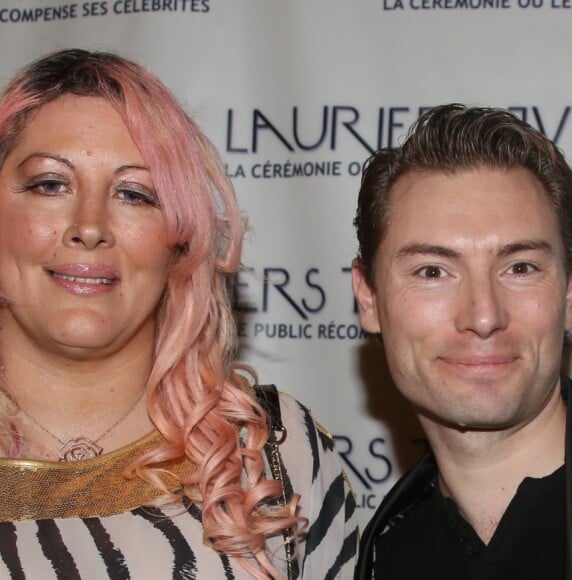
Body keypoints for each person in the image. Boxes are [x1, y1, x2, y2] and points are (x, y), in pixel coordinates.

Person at [0, 49, 357, 579]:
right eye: (50, 184)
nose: (89, 225)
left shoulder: (277, 450)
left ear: (179, 241)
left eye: (134, 193)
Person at [351, 103, 572, 579]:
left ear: (571, 293)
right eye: (433, 271)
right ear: (368, 298)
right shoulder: (386, 551)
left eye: (520, 268)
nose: (483, 316)